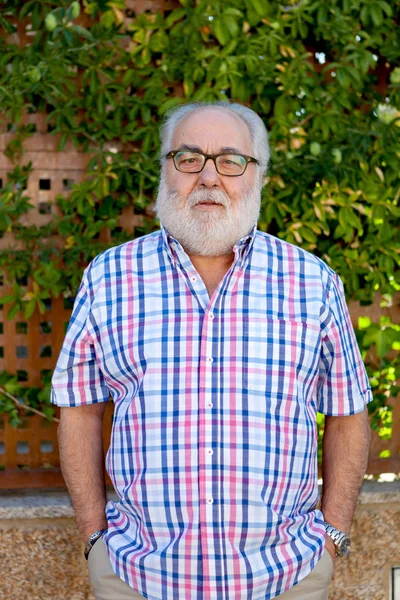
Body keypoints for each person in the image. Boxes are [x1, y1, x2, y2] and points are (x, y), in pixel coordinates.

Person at [51, 101, 372, 600]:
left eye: (230, 160)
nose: (208, 176)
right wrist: (95, 539)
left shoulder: (313, 283)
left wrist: (331, 538)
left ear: (257, 176)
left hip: (287, 576)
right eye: (188, 158)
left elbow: (349, 413)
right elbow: (79, 409)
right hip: (137, 578)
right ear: (165, 169)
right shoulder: (108, 278)